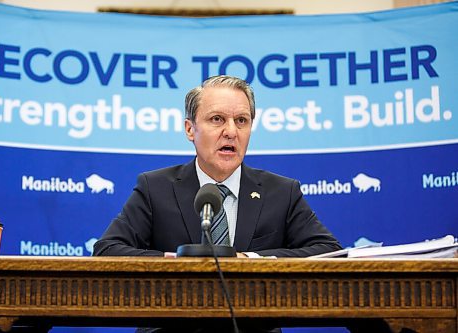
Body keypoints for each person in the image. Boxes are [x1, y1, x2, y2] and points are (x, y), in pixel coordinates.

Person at [94, 75, 341, 258]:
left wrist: (249, 260)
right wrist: (173, 262)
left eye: (241, 121)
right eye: (217, 119)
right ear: (190, 129)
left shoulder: (282, 192)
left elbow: (329, 251)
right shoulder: (155, 188)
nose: (231, 132)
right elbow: (107, 249)